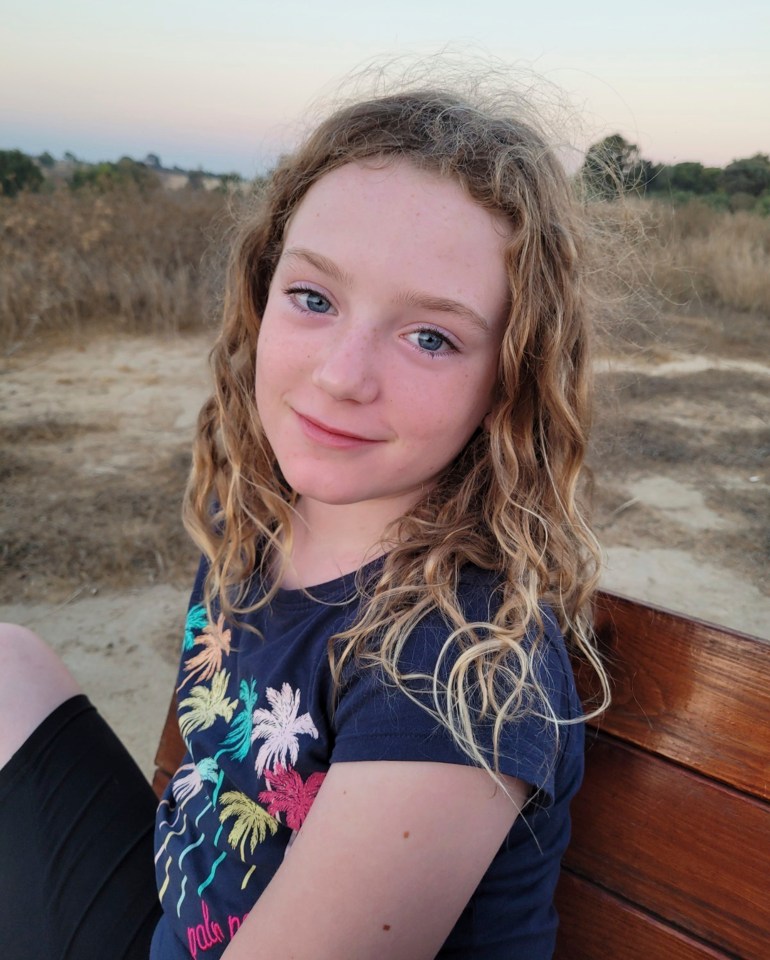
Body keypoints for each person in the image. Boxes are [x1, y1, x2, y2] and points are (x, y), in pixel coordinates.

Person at [0, 83, 610, 960]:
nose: (341, 375)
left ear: (509, 383)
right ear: (261, 292)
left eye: (431, 337)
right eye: (315, 299)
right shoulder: (258, 517)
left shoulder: (458, 663)